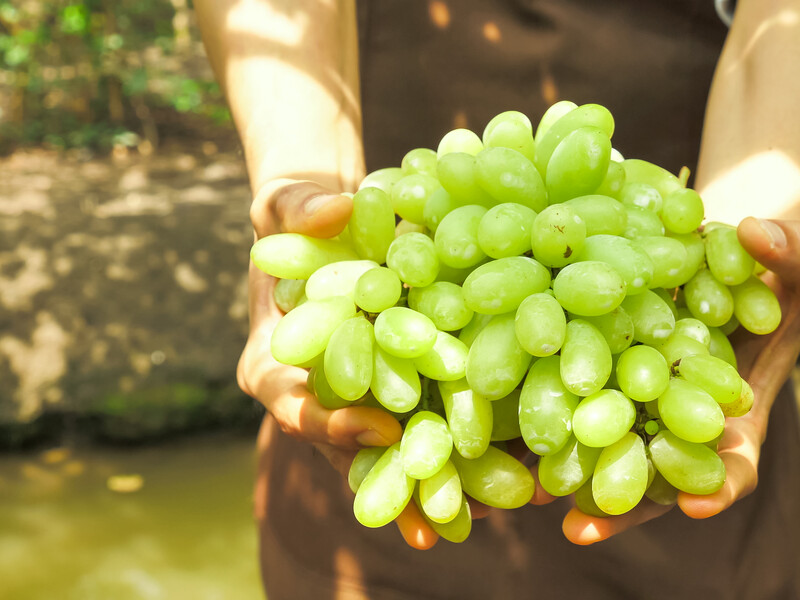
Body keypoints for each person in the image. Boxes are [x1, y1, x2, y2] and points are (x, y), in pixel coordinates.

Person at [195, 0, 800, 597]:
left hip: (662, 253)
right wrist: (305, 176)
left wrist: (765, 208)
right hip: (396, 247)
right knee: (370, 444)